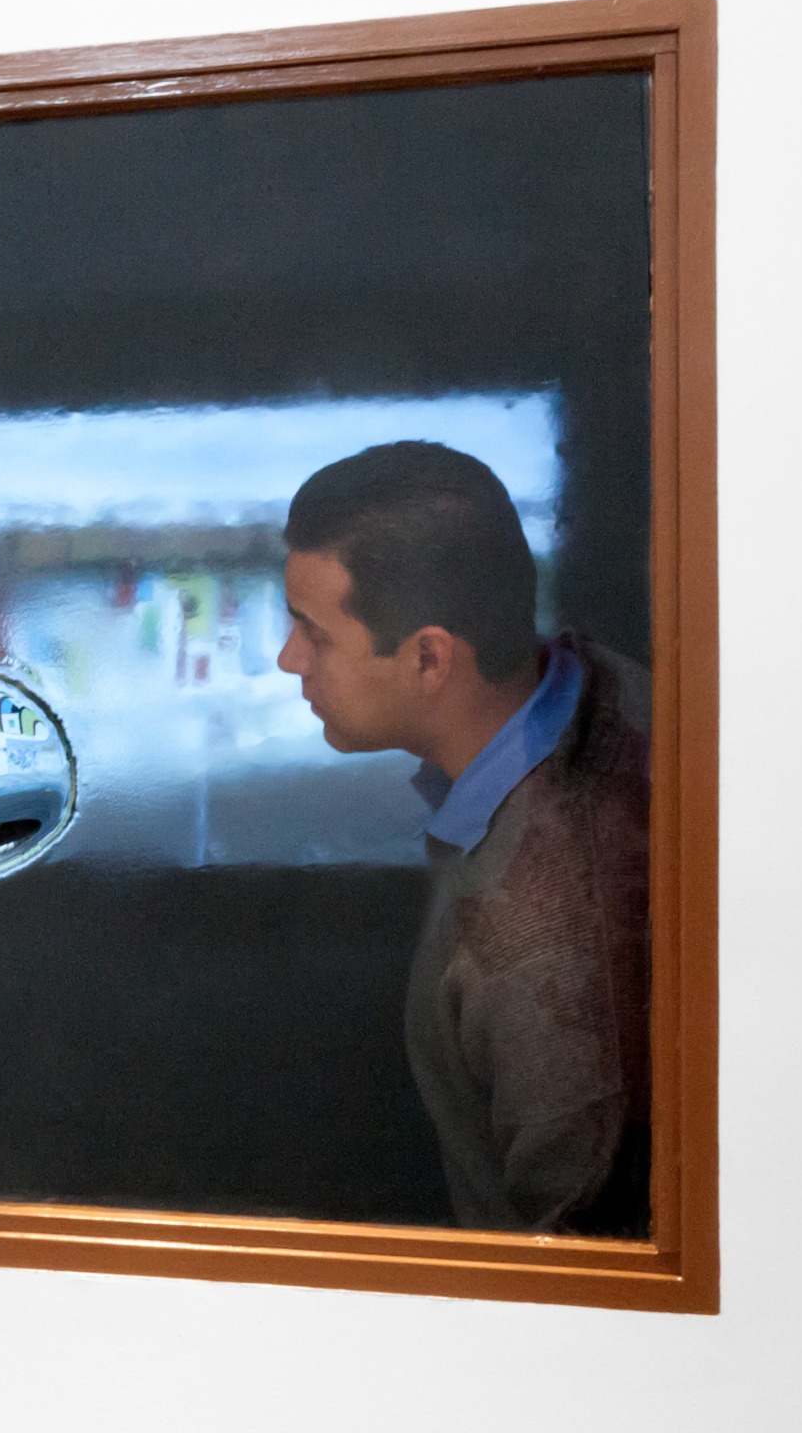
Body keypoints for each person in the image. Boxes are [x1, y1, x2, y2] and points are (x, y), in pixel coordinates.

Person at [276, 441, 650, 1236]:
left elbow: (581, 1268)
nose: (288, 659)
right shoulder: (604, 684)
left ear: (430, 659)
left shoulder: (541, 935)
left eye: (314, 633)